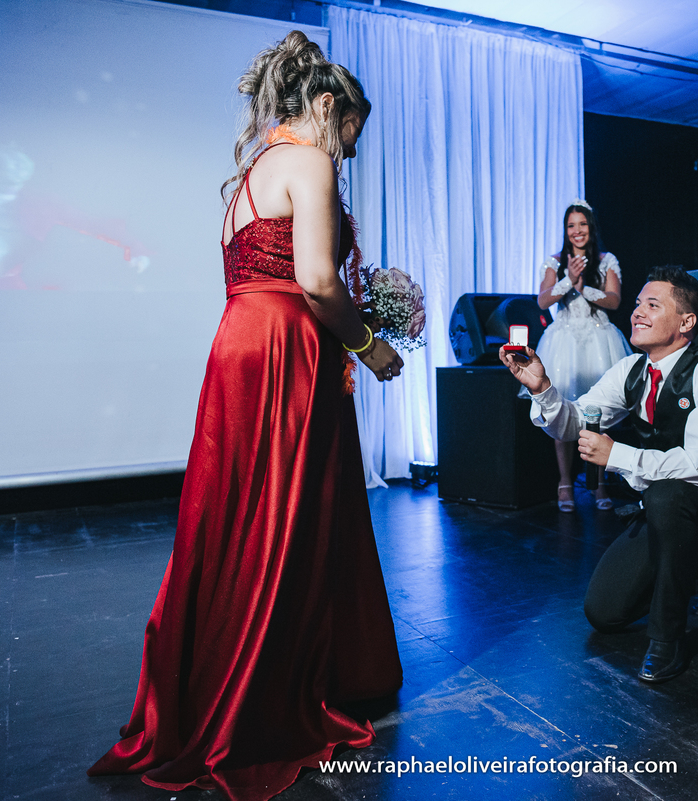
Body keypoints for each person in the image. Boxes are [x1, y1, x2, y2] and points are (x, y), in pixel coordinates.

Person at [88, 32, 403, 801]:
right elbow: (318, 280)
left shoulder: (250, 175)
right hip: (285, 345)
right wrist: (368, 345)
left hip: (239, 342)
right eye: (351, 131)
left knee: (236, 520)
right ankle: (260, 698)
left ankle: (210, 684)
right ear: (325, 107)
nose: (350, 150)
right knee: (286, 520)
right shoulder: (311, 160)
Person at [501, 266, 698, 684]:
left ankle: (667, 639)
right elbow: (575, 423)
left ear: (686, 322)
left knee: (666, 495)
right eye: (638, 303)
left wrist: (616, 454)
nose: (637, 312)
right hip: (666, 510)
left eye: (652, 305)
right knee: (604, 613)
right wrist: (542, 388)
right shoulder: (630, 371)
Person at [533, 200, 632, 511]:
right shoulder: (554, 261)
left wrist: (584, 287)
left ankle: (599, 483)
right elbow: (542, 301)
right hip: (564, 343)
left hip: (599, 341)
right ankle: (565, 483)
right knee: (560, 411)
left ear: (591, 227)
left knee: (598, 414)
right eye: (571, 225)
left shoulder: (606, 260)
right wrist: (568, 281)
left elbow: (615, 301)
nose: (577, 231)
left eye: (582, 224)